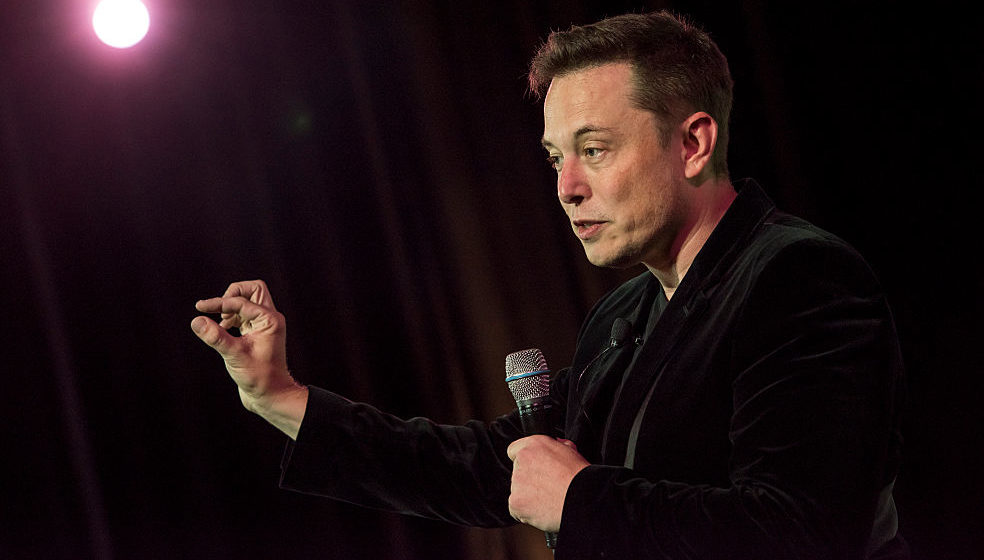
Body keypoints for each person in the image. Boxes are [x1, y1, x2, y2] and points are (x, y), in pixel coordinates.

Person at [191, 11, 906, 559]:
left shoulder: (797, 277)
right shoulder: (625, 316)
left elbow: (800, 532)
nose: (567, 188)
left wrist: (581, 499)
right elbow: (487, 467)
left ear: (692, 144)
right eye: (556, 157)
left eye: (594, 149)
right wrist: (280, 396)